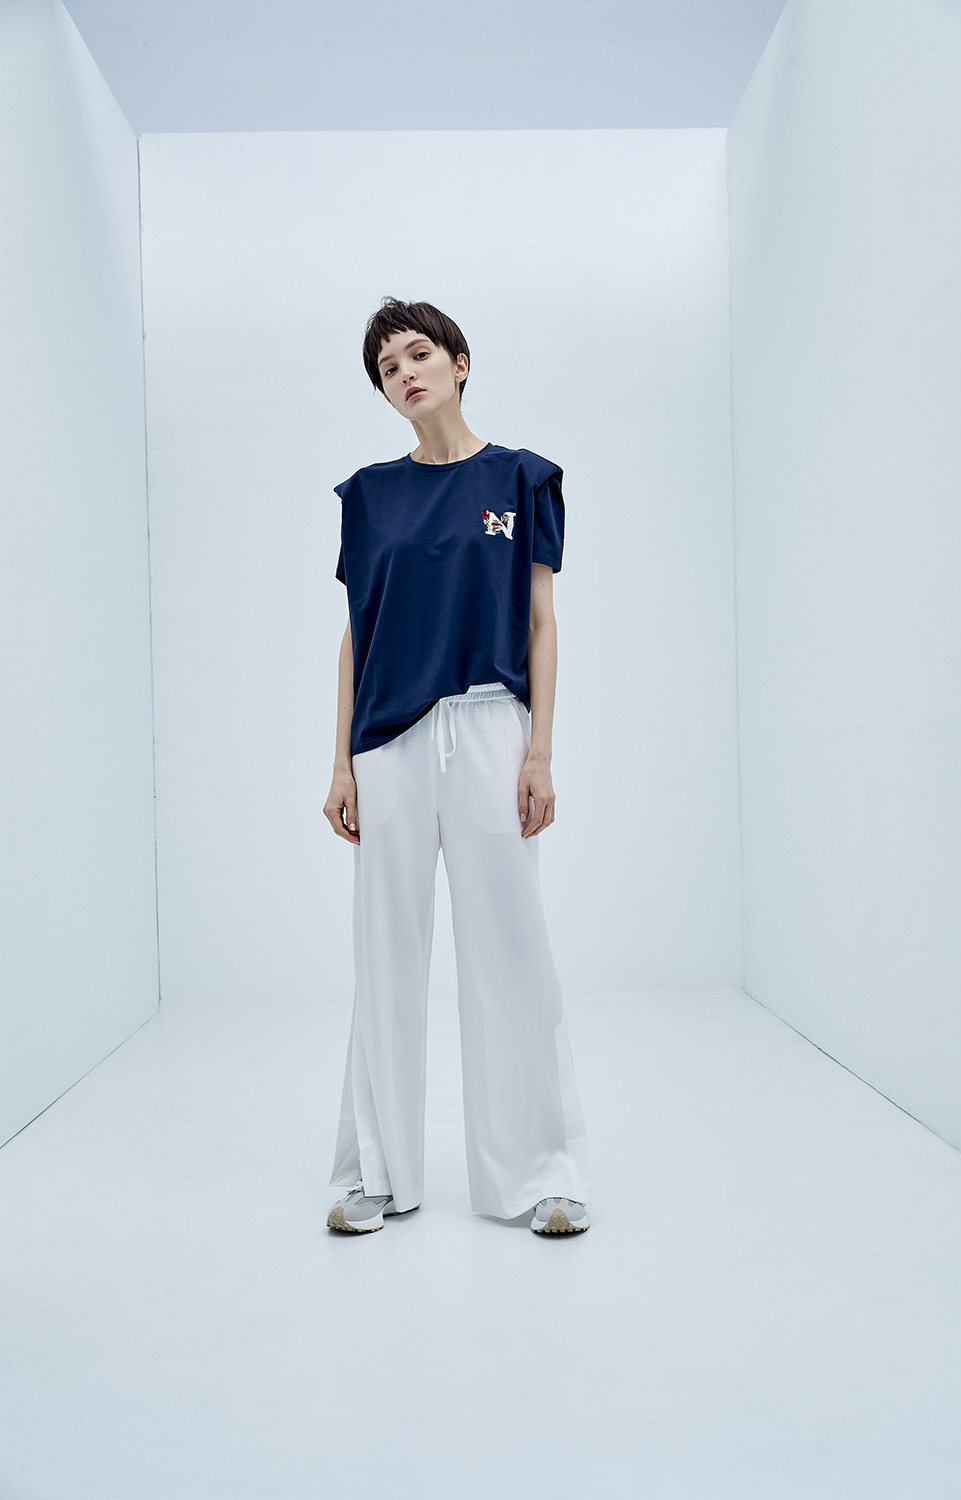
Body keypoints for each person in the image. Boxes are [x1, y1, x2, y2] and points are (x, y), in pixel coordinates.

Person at [323, 297, 590, 1236]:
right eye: (387, 368)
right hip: (388, 744)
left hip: (489, 727)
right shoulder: (369, 496)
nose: (405, 373)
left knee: (510, 950)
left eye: (418, 354)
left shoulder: (520, 478)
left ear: (460, 362)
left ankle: (541, 1173)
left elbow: (541, 624)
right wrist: (341, 763)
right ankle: (378, 1174)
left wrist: (540, 748)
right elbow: (356, 636)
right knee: (385, 955)